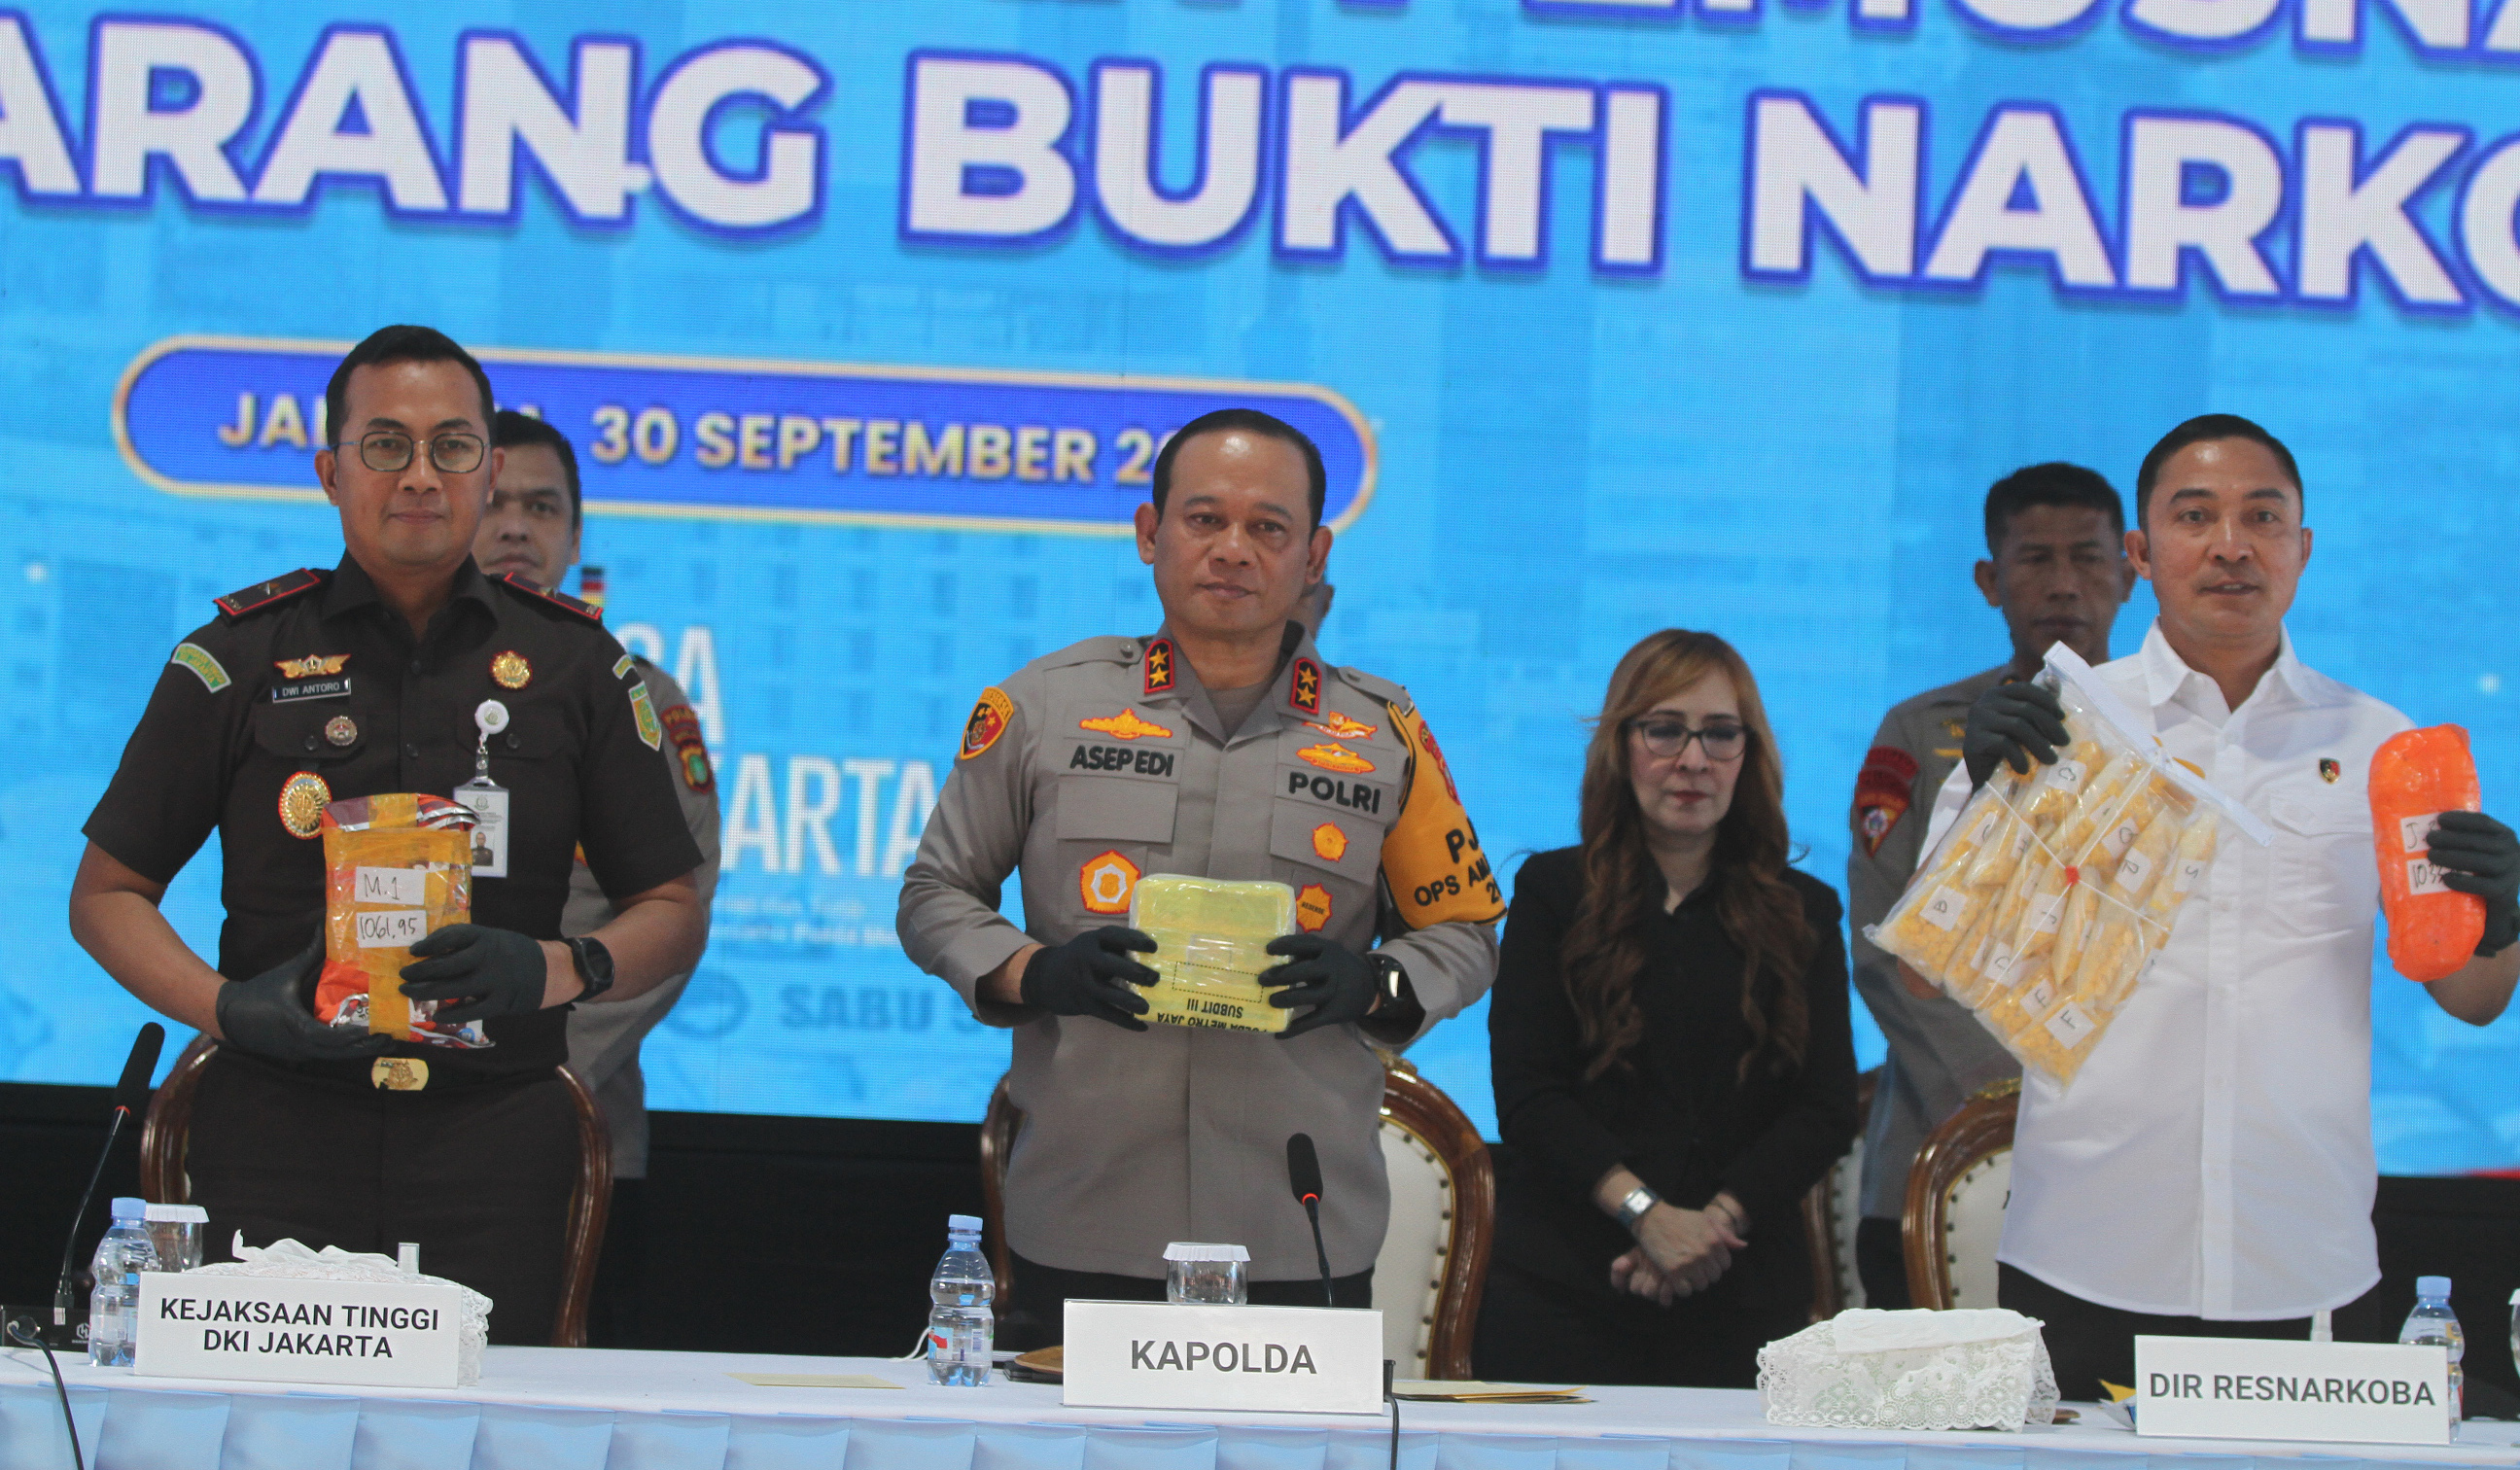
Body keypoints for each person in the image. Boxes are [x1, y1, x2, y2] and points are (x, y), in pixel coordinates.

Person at [70, 326, 708, 1345]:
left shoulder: (578, 667)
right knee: (261, 1438)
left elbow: (673, 910)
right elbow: (105, 895)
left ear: (489, 472)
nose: (420, 475)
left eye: (452, 447)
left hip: (497, 1136)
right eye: (386, 445)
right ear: (330, 470)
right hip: (274, 1122)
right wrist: (229, 1009)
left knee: (491, 1441)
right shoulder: (234, 657)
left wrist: (557, 967)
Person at [1936, 413, 2520, 1397]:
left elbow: (2474, 996)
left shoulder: (2382, 743)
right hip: (2086, 1248)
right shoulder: (2057, 723)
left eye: (2263, 517)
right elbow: (1932, 967)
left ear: (2304, 548)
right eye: (2195, 516)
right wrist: (1986, 799)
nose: (2231, 544)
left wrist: (2504, 919)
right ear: (2140, 553)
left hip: (2307, 1258)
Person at [897, 407, 1502, 1346]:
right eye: (1203, 519)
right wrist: (1034, 973)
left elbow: (1464, 932)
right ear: (1149, 533)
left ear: (1314, 556)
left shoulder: (1385, 735)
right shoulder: (1041, 708)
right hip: (1089, 1205)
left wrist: (1376, 983)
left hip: (1297, 1224)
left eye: (1269, 528)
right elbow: (934, 895)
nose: (1232, 550)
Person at [1477, 629, 1859, 1388]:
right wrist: (1647, 1215)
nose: (1693, 760)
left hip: (1745, 1289)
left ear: (1749, 753)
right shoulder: (1553, 895)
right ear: (1622, 745)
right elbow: (1528, 1095)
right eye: (1665, 730)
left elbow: (1826, 1108)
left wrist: (1710, 1226)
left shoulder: (1806, 911)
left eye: (1720, 734)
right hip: (1564, 1284)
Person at [1845, 463, 2136, 1308]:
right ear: (1988, 580)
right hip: (1937, 1153)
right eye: (2034, 561)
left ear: (2128, 571)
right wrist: (2005, 1101)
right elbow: (1880, 941)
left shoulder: (2169, 742)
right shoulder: (1926, 732)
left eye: (2087, 559)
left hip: (2122, 1159)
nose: (2063, 586)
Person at [477, 408, 722, 1346]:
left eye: (542, 507)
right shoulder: (375, 685)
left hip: (574, 1127)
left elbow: (672, 918)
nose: (514, 527)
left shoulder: (641, 701)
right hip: (377, 1111)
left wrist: (530, 1067)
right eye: (494, 501)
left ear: (574, 536)